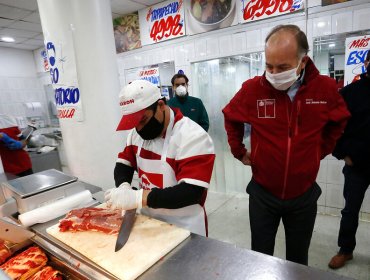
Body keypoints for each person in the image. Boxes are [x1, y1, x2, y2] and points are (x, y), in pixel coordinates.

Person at [222, 24, 350, 265]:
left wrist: (321, 150)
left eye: (282, 67)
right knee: (259, 257)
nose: (273, 73)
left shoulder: (324, 89)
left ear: (302, 62)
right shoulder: (253, 89)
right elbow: (231, 116)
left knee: (297, 259)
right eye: (269, 66)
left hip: (303, 195)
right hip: (263, 193)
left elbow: (339, 120)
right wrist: (238, 150)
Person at [105, 80, 215, 236]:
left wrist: (138, 197)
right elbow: (124, 163)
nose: (139, 129)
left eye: (142, 120)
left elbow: (191, 192)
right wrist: (124, 186)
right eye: (134, 123)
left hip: (184, 227)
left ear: (161, 105)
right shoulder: (135, 135)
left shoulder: (193, 136)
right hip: (148, 222)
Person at [328, 50, 370, 269]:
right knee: (350, 210)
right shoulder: (350, 92)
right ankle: (346, 250)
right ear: (366, 62)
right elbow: (333, 127)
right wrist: (343, 154)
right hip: (357, 166)